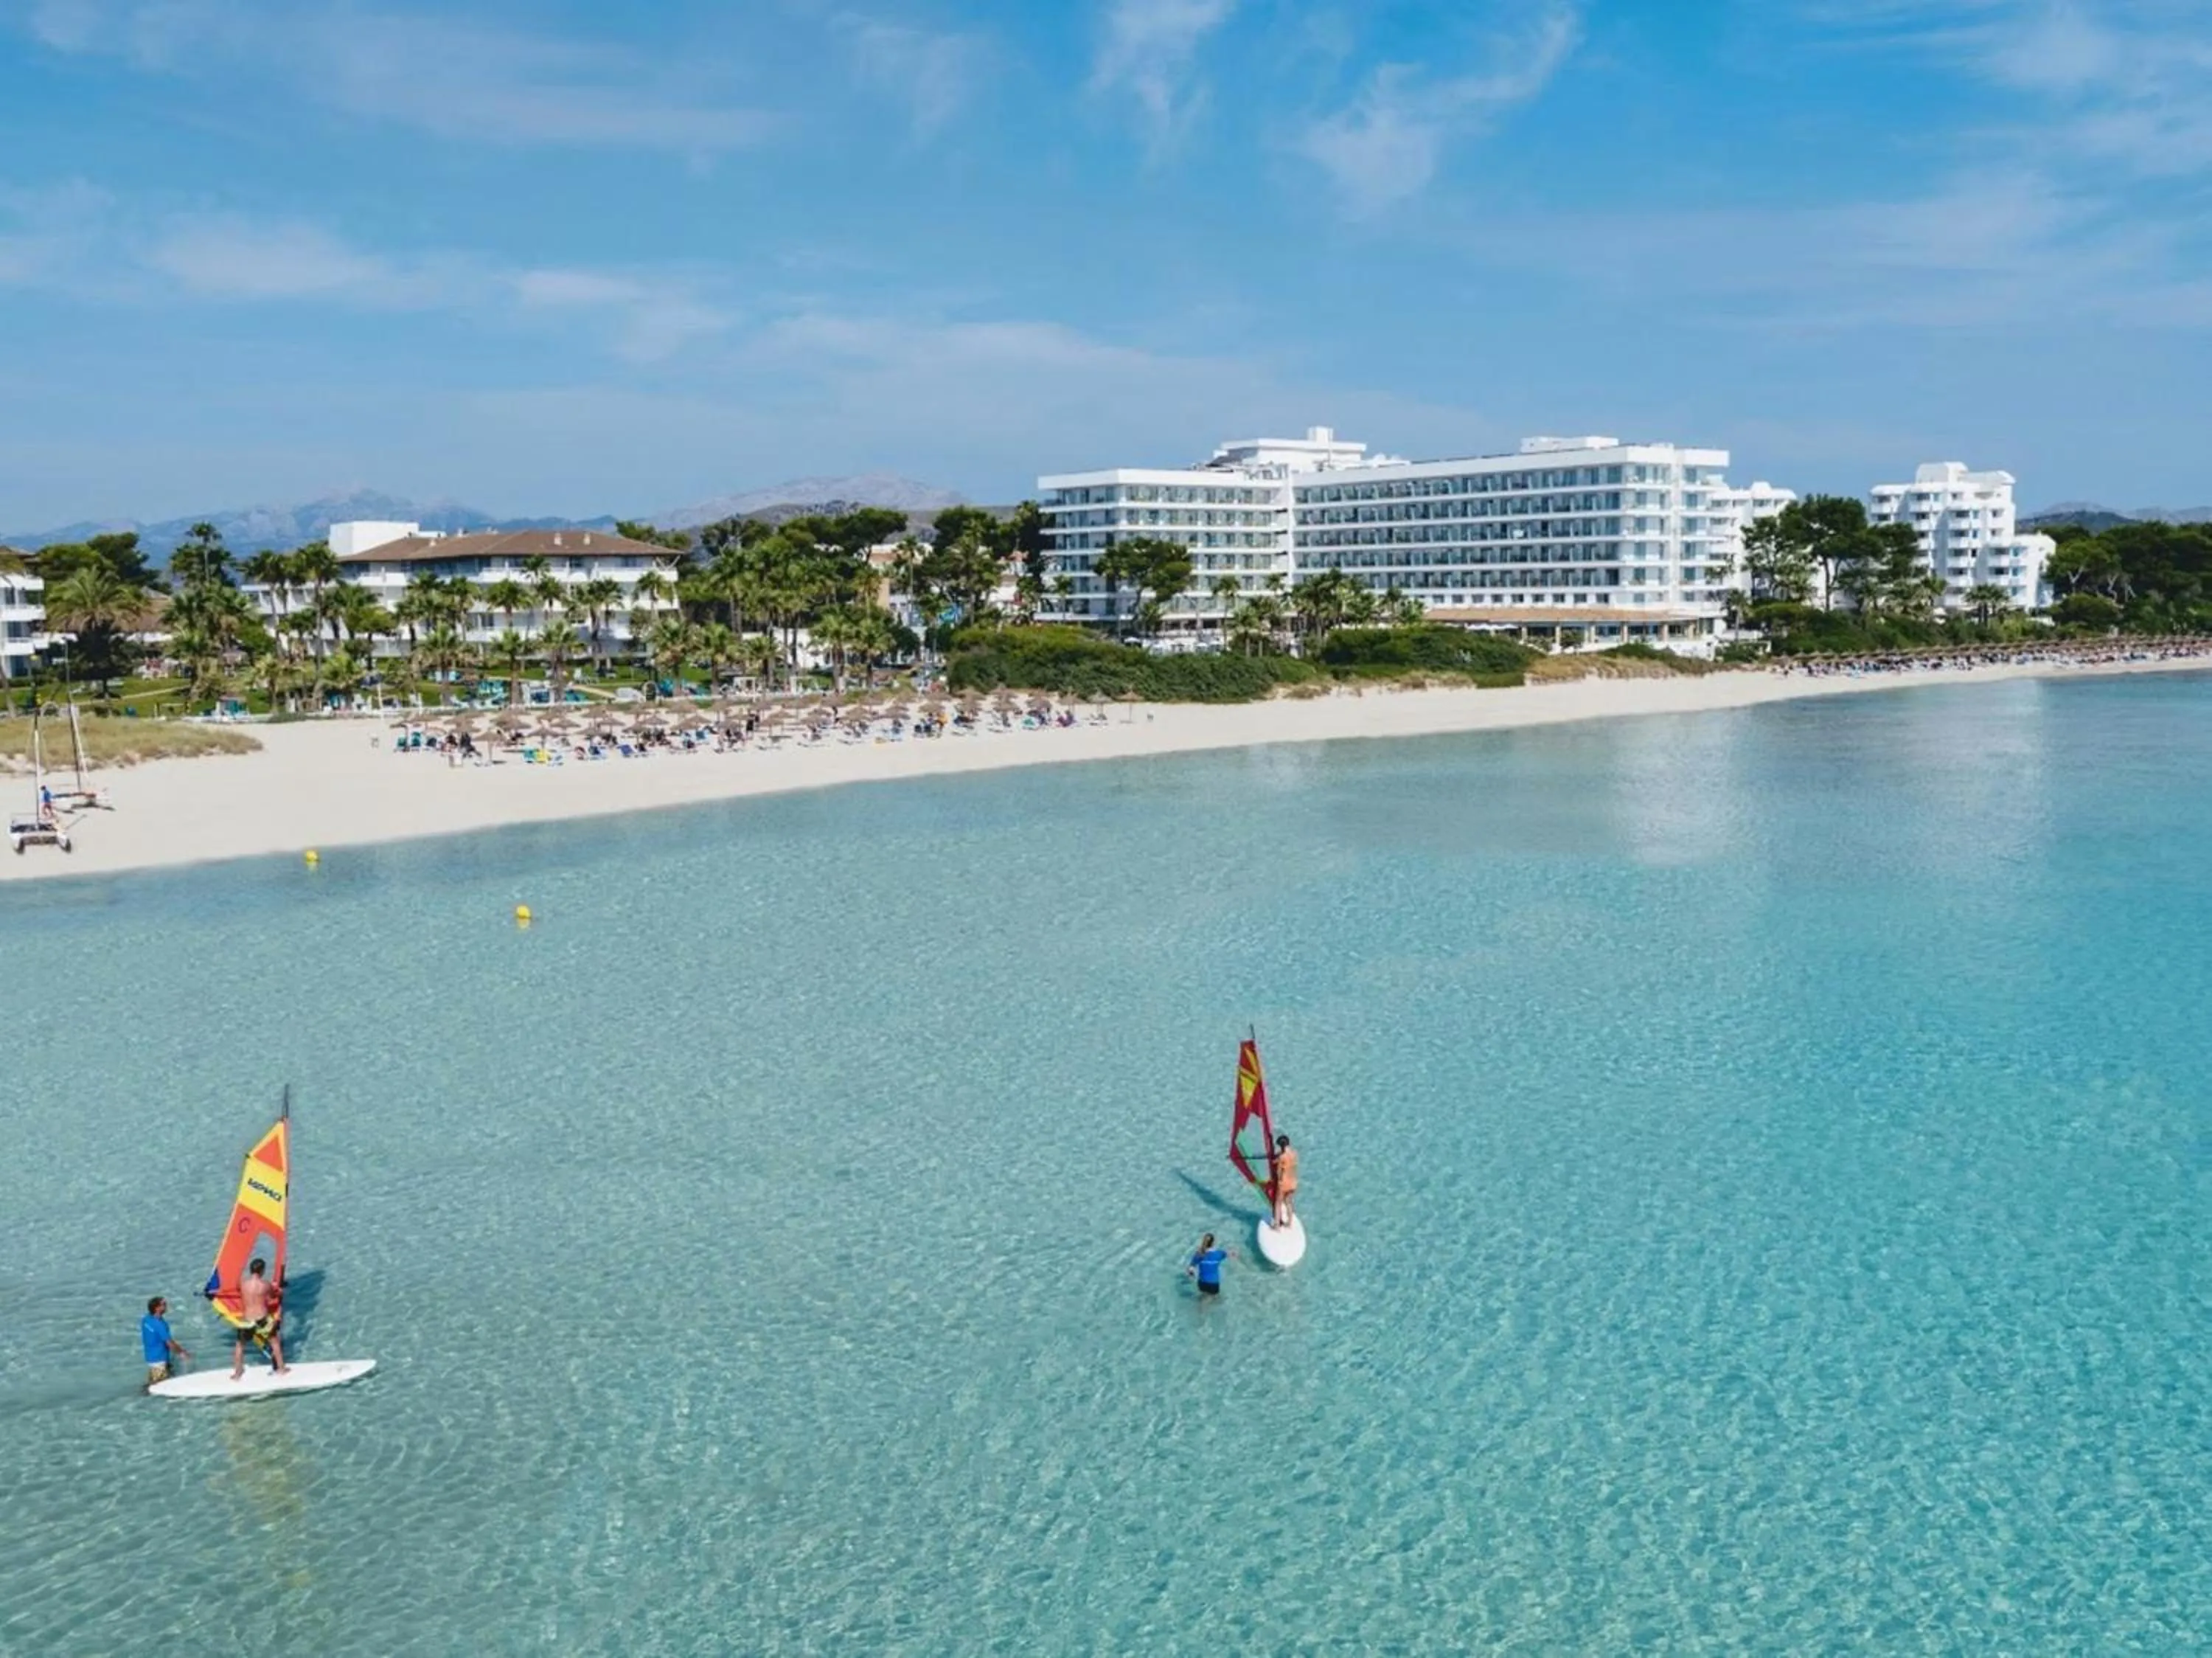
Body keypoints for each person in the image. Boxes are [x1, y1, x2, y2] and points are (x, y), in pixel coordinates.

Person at [231, 1258, 288, 1379]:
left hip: (247, 1320)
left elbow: (237, 1290)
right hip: (262, 1319)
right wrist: (280, 1290)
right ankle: (282, 1369)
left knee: (240, 1345)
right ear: (262, 1271)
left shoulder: (243, 1284)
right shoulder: (265, 1285)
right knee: (275, 1342)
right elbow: (274, 1295)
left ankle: (237, 1373)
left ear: (251, 1270)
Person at [141, 1296, 189, 1388]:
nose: (166, 1306)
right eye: (164, 1305)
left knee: (156, 1382)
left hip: (151, 1358)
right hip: (160, 1361)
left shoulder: (146, 1320)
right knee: (159, 1386)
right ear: (157, 1308)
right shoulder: (159, 1325)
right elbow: (169, 1343)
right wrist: (182, 1353)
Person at [1271, 1134, 1299, 1229]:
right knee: (1288, 1202)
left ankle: (1277, 1225)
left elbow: (1278, 1171)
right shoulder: (1294, 1153)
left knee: (1278, 1203)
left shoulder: (1281, 1158)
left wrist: (1274, 1162)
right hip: (1293, 1182)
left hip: (1284, 1183)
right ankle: (1289, 1223)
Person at [1187, 1233, 1229, 1297]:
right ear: (1213, 1243)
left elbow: (1191, 1268)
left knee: (1204, 1297)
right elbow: (1230, 1254)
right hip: (1214, 1283)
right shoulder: (1219, 1254)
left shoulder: (1199, 1254)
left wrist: (1192, 1275)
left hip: (1202, 1283)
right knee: (1215, 1300)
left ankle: (1201, 1306)